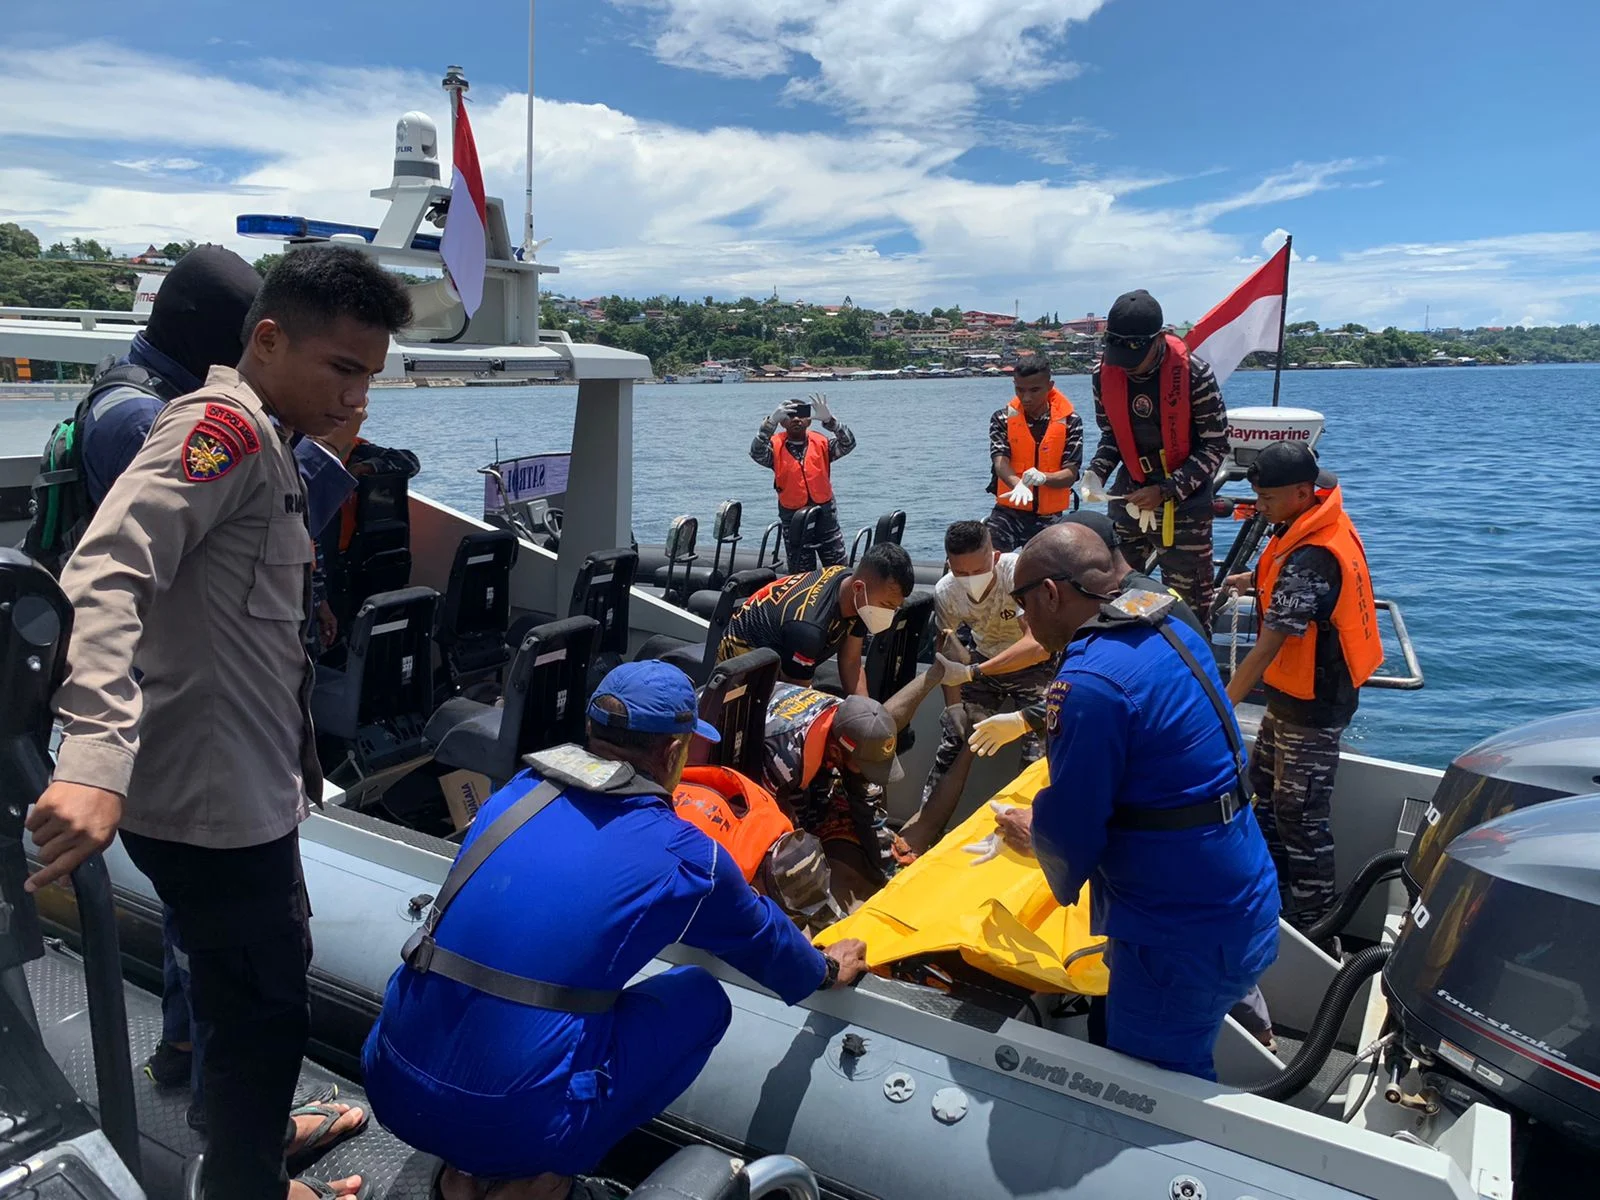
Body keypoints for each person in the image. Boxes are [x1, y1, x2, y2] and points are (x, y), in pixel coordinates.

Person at [27, 246, 413, 1200]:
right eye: (343, 369)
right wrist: (93, 756)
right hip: (212, 811)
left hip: (244, 791)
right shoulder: (220, 429)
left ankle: (252, 1160)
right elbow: (105, 572)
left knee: (251, 1005)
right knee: (259, 1024)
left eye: (370, 375)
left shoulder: (273, 440)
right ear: (268, 340)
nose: (357, 396)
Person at [361, 662, 869, 1200]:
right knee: (700, 999)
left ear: (591, 733)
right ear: (673, 754)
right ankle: (538, 1181)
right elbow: (769, 944)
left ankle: (461, 1176)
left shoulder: (514, 796)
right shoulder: (684, 854)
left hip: (390, 1082)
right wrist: (827, 968)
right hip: (518, 1128)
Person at [988, 524, 1279, 1080]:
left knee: (1153, 1092)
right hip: (1244, 894)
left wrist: (1035, 833)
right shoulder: (1168, 620)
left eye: (1023, 603)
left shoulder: (1088, 681)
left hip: (1177, 935)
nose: (1024, 620)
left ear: (1050, 593)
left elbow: (1072, 828)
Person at [1225, 442, 1382, 936]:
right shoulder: (1310, 520)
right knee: (1266, 800)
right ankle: (1271, 900)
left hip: (1314, 707)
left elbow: (1268, 646)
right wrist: (1250, 579)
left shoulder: (1314, 556)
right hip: (1286, 700)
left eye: (1268, 499)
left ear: (1300, 492)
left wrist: (1221, 706)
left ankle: (1317, 928)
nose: (1260, 507)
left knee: (1301, 818)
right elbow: (1284, 573)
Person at [896, 520, 1055, 856]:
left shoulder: (1017, 573)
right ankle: (925, 832)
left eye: (978, 570)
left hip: (1033, 667)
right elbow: (947, 648)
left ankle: (1031, 835)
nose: (970, 579)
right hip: (983, 664)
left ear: (994, 556)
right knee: (955, 741)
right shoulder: (947, 591)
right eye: (960, 572)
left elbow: (1037, 645)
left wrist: (972, 671)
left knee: (1041, 745)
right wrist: (954, 705)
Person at [1085, 290, 1229, 626]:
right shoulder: (1102, 374)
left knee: (1191, 606)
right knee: (1113, 593)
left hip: (1185, 502)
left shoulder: (1195, 375)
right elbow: (1111, 436)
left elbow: (1216, 445)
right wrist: (1095, 473)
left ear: (1158, 340)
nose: (1128, 367)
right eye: (1120, 358)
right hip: (1130, 494)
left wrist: (1166, 491)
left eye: (1135, 358)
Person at [716, 542, 915, 696]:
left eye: (894, 607)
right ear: (858, 588)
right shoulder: (810, 628)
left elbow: (851, 661)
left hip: (788, 657)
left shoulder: (858, 595)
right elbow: (796, 697)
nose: (889, 613)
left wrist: (866, 712)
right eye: (886, 605)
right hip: (742, 667)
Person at [985, 355, 1082, 551]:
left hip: (1050, 517)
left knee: (1057, 561)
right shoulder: (1002, 418)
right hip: (1008, 513)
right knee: (981, 550)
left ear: (1050, 386)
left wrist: (1043, 478)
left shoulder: (1071, 422)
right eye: (1020, 390)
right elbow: (1000, 462)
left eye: (1035, 390)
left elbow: (1070, 474)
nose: (1026, 398)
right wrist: (1018, 484)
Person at [749, 392, 856, 570]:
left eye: (802, 414)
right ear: (782, 422)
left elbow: (848, 444)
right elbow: (756, 452)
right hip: (794, 522)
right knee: (800, 575)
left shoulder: (823, 444)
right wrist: (770, 423)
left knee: (839, 570)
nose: (797, 419)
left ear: (809, 420)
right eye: (790, 415)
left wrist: (831, 421)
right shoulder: (775, 448)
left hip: (826, 520)